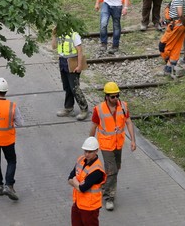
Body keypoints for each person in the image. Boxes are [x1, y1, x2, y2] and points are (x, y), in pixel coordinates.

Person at [89, 82, 136, 211]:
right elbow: (93, 126)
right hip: (105, 145)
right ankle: (109, 197)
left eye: (117, 96)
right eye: (112, 97)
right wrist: (91, 145)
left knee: (115, 168)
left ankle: (104, 184)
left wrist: (133, 140)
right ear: (106, 96)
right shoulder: (98, 109)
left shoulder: (123, 107)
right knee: (112, 170)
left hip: (118, 144)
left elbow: (128, 122)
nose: (115, 99)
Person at [52, 26, 89, 121]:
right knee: (67, 86)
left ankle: (84, 109)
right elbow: (54, 46)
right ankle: (68, 108)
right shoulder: (59, 34)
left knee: (74, 87)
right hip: (63, 61)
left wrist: (79, 66)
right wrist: (53, 35)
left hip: (72, 61)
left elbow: (80, 50)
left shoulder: (74, 34)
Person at [68, 136, 106, 226]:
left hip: (90, 208)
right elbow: (69, 179)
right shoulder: (81, 159)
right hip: (77, 204)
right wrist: (75, 182)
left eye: (90, 152)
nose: (87, 154)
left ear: (96, 151)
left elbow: (82, 188)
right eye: (85, 151)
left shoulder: (97, 170)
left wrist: (74, 180)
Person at [158, 0, 185, 77]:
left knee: (163, 46)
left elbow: (180, 13)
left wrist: (183, 22)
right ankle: (169, 67)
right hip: (179, 25)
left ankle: (168, 62)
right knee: (176, 46)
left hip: (176, 24)